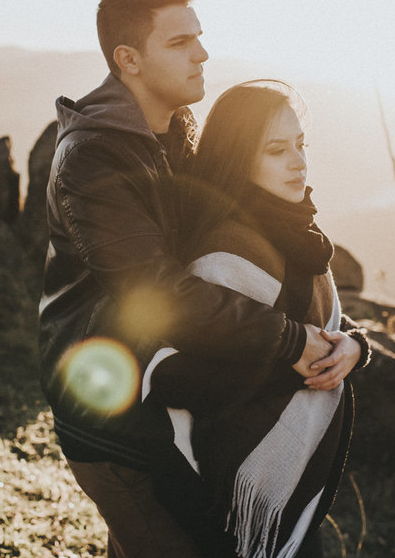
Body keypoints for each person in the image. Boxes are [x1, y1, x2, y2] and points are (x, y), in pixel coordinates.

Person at [39, 0, 334, 558]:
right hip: (117, 423)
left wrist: (346, 340)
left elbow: (242, 235)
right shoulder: (93, 157)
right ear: (129, 60)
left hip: (174, 397)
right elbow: (157, 292)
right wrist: (291, 341)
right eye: (179, 43)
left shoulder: (171, 132)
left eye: (199, 38)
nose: (201, 54)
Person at [142, 81, 371, 558]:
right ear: (238, 157)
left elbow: (310, 327)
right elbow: (179, 378)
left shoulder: (297, 232)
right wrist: (294, 362)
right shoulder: (228, 250)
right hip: (236, 493)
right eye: (275, 150)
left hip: (286, 491)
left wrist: (352, 347)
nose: (298, 161)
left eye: (300, 144)